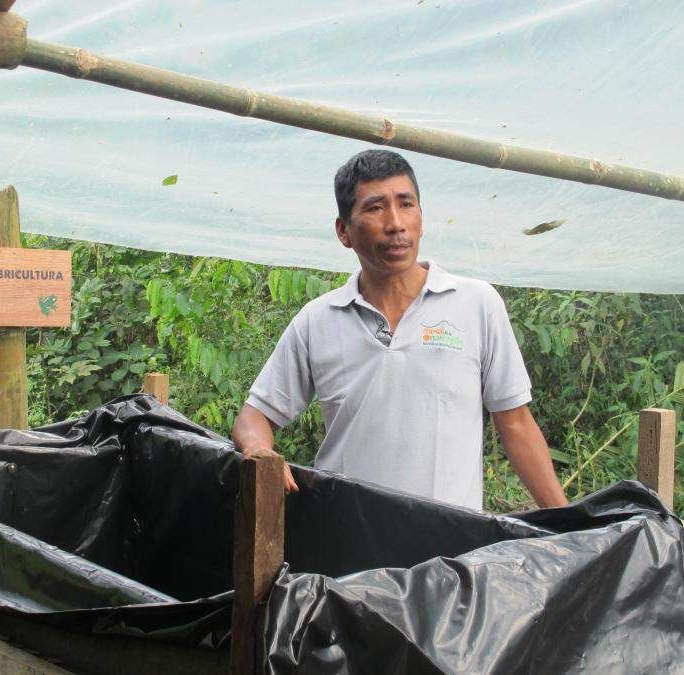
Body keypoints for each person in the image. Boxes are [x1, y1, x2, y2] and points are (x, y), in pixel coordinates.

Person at [231, 149, 567, 511]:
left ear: (422, 218)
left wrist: (569, 526)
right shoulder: (318, 320)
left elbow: (515, 424)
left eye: (406, 204)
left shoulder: (476, 304)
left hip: (451, 552)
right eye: (375, 208)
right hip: (349, 546)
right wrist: (260, 451)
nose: (395, 223)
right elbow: (255, 417)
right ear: (344, 231)